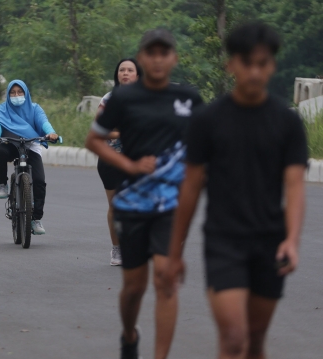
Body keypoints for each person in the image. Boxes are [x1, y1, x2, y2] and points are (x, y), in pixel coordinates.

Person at [164, 22, 307, 359]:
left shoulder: (287, 123)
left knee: (255, 340)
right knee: (233, 336)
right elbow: (191, 187)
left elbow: (295, 184)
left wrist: (292, 239)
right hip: (223, 241)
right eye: (247, 63)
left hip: (270, 240)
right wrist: (174, 252)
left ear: (273, 65)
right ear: (231, 64)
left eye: (263, 63)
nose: (255, 72)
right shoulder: (207, 120)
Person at [86, 28, 203, 359]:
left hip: (169, 205)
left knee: (166, 282)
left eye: (163, 52)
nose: (157, 58)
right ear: (141, 58)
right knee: (134, 288)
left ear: (173, 58)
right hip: (132, 203)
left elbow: (205, 147)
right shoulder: (122, 99)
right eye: (150, 52)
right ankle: (129, 334)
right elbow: (93, 139)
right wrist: (129, 164)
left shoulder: (189, 99)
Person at [0, 80, 58, 235]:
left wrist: (51, 133)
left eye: (20, 92)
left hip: (30, 145)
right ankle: (2, 184)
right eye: (12, 93)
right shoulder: (2, 110)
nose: (16, 95)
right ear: (8, 95)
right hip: (10, 143)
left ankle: (36, 219)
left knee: (39, 181)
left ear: (26, 93)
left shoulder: (35, 109)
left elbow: (44, 122)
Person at [95, 58, 141, 266]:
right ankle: (117, 250)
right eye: (122, 70)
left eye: (130, 70)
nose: (125, 73)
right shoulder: (108, 99)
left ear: (138, 75)